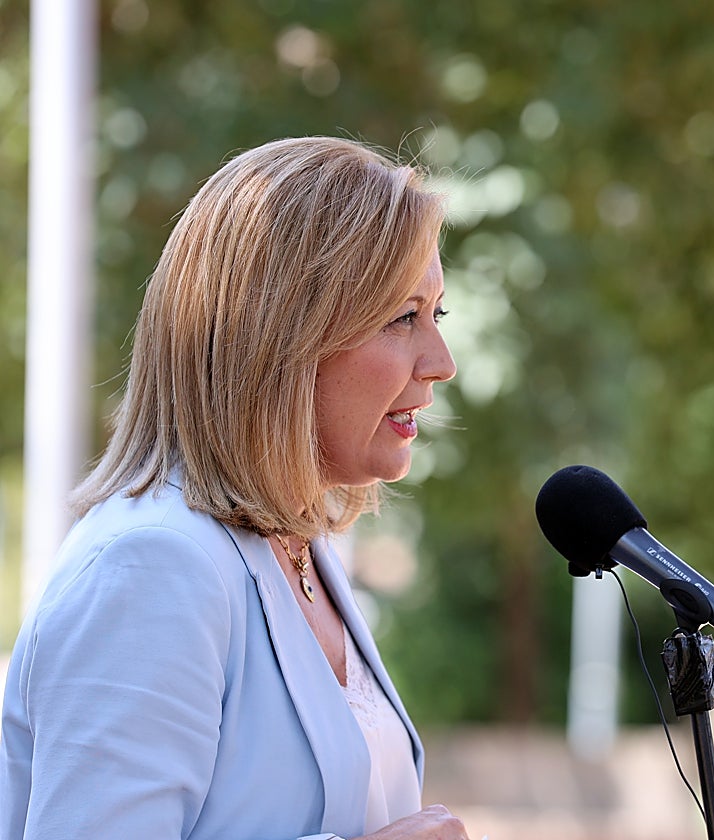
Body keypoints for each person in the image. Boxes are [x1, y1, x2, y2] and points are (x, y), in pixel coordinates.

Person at [0, 137, 478, 840]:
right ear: (283, 337)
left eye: (436, 315)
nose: (442, 362)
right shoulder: (153, 567)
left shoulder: (298, 550)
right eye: (402, 317)